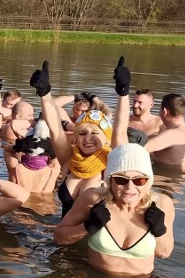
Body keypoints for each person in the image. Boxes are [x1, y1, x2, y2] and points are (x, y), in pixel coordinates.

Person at [54, 144, 175, 277]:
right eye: (121, 179)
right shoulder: (93, 199)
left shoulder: (161, 204)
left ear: (148, 181)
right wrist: (87, 227)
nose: (129, 187)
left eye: (139, 180)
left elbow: (164, 253)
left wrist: (159, 230)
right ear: (110, 181)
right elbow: (59, 237)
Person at [30, 59, 126, 216]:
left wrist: (123, 93)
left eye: (95, 133)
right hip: (63, 233)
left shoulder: (112, 162)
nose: (87, 138)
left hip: (94, 238)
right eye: (82, 133)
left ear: (107, 138)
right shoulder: (69, 158)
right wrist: (45, 94)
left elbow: (120, 132)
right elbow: (55, 128)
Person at [6, 119, 61, 194]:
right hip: (43, 204)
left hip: (18, 202)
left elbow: (7, 150)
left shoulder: (15, 166)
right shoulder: (53, 169)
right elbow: (56, 155)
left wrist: (19, 147)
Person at [145, 93, 185, 166]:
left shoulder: (172, 134)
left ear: (165, 112)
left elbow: (138, 149)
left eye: (160, 110)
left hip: (164, 175)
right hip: (179, 174)